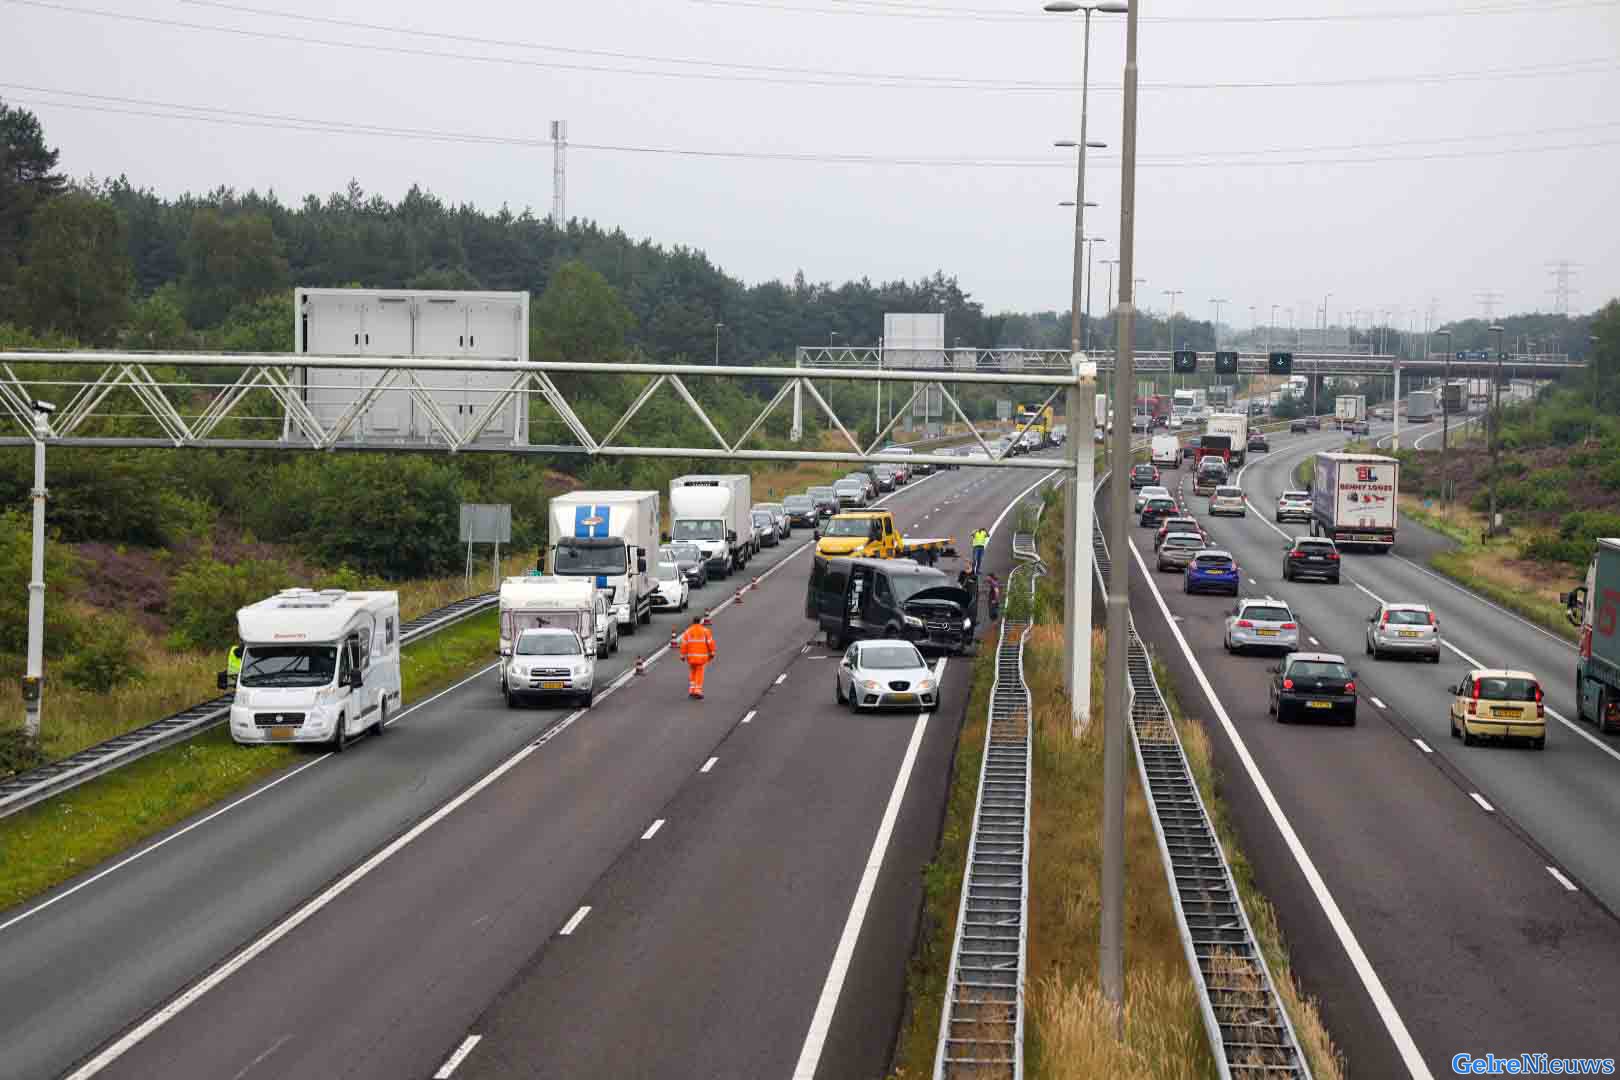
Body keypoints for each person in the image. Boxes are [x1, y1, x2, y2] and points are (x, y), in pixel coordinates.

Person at [676, 615, 717, 699]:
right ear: (700, 622)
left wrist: (682, 655)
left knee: (692, 673)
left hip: (691, 658)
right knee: (699, 673)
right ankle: (697, 691)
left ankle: (691, 690)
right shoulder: (705, 631)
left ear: (693, 622)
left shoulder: (688, 632)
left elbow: (684, 644)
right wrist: (712, 653)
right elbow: (710, 643)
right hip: (702, 658)